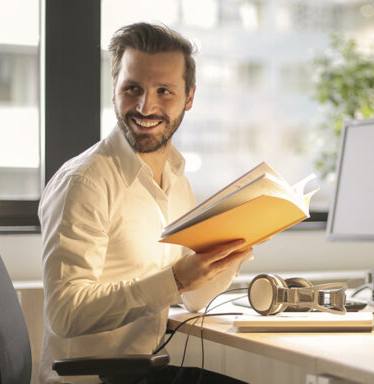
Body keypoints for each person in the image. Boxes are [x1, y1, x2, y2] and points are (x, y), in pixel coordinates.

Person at [38, 23, 250, 383]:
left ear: (189, 97)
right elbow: (65, 313)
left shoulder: (177, 178)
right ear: (115, 91)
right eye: (132, 88)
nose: (145, 106)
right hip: (92, 378)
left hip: (142, 371)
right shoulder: (84, 182)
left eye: (164, 91)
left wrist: (239, 246)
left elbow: (194, 298)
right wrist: (174, 279)